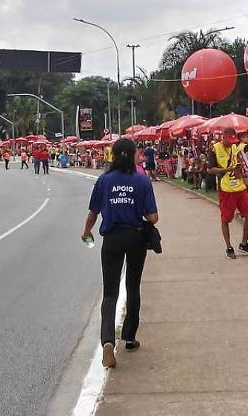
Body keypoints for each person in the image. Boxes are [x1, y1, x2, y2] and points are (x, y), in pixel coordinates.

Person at [81, 138, 159, 368]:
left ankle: (107, 342)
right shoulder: (142, 181)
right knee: (133, 287)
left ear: (113, 156)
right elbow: (153, 217)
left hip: (112, 239)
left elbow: (93, 213)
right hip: (135, 237)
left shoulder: (104, 180)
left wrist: (86, 232)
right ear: (133, 155)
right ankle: (130, 337)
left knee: (110, 292)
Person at [207, 127, 248, 259]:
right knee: (226, 219)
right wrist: (228, 169)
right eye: (229, 140)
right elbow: (210, 169)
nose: (231, 143)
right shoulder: (214, 149)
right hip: (226, 189)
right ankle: (229, 247)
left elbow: (243, 164)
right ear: (223, 137)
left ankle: (244, 243)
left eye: (233, 140)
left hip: (239, 187)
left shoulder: (237, 148)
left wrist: (244, 169)